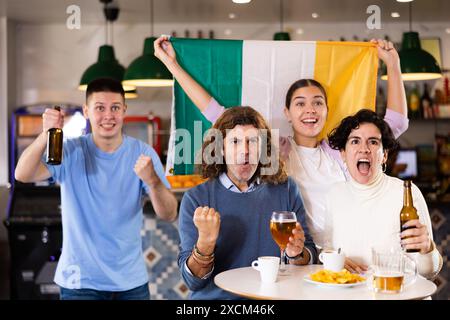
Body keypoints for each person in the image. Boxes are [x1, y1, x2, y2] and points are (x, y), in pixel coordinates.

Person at [154, 36, 409, 247]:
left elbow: (395, 124)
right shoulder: (276, 149)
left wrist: (393, 65)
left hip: (345, 253)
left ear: (327, 111)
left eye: (317, 103)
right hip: (295, 255)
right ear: (287, 113)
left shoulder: (340, 151)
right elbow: (219, 115)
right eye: (300, 103)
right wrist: (172, 66)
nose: (310, 110)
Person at [14, 78, 178, 300]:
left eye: (115, 108)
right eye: (100, 108)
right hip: (80, 282)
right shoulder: (69, 151)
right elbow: (22, 174)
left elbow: (169, 214)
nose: (108, 115)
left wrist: (154, 182)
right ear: (87, 111)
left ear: (124, 111)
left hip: (130, 283)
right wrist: (46, 133)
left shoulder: (144, 153)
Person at [178, 106, 317, 299]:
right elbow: (192, 281)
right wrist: (205, 244)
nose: (245, 151)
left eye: (252, 142)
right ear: (220, 148)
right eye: (235, 141)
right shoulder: (196, 199)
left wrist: (297, 253)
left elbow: (309, 256)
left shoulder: (286, 189)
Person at [325, 109, 442, 278]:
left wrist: (428, 249)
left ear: (384, 155)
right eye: (355, 141)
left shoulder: (406, 194)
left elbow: (430, 272)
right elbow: (327, 249)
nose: (364, 149)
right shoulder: (334, 194)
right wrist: (335, 261)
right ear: (343, 153)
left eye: (373, 142)